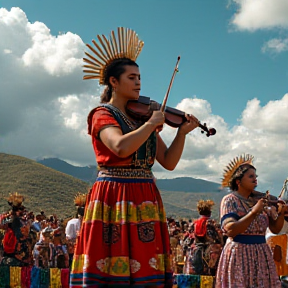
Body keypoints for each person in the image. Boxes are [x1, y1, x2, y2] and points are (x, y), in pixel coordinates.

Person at [69, 27, 199, 287]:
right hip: (114, 196)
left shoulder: (142, 119)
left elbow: (169, 162)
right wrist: (151, 124)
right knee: (110, 265)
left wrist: (181, 133)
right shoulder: (102, 114)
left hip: (145, 195)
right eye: (131, 77)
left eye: (139, 77)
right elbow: (118, 147)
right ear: (113, 82)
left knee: (145, 265)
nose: (138, 82)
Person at [215, 154, 287, 288]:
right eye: (251, 176)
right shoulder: (230, 200)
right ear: (238, 181)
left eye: (256, 176)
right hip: (239, 254)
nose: (255, 179)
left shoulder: (262, 201)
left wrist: (281, 212)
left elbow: (275, 229)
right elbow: (230, 230)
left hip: (261, 254)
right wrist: (254, 212)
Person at [183, 199, 223, 276]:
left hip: (194, 253)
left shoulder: (193, 224)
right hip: (210, 255)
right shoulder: (210, 224)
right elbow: (216, 239)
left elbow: (186, 241)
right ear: (210, 213)